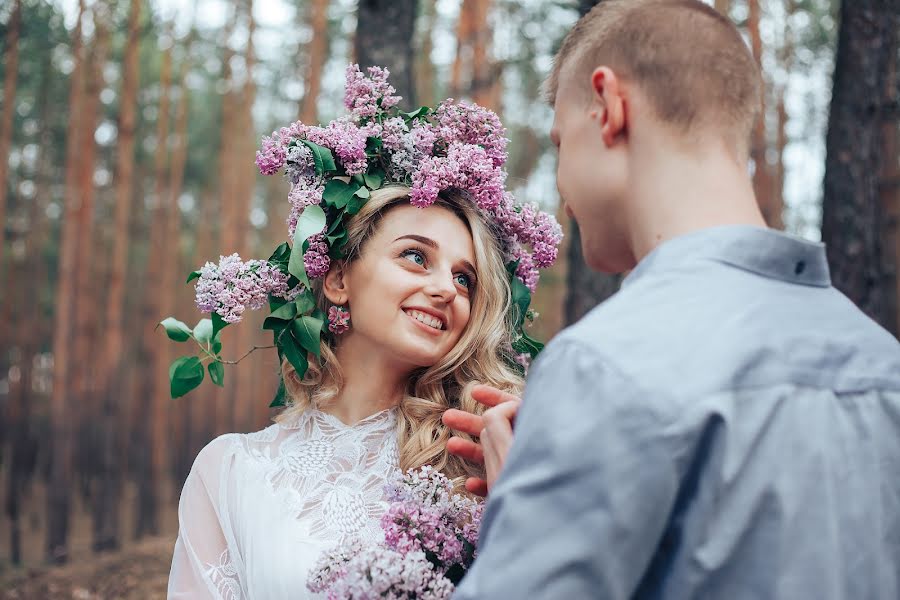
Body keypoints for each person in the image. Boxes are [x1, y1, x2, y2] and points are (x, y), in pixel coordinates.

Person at [446, 1, 900, 598]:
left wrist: (518, 512)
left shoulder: (603, 365)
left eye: (561, 143)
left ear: (608, 108)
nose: (561, 188)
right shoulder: (883, 362)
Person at [167, 64, 561, 598]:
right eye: (416, 257)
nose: (447, 289)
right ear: (336, 279)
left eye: (465, 278)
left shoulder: (485, 458)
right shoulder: (230, 471)